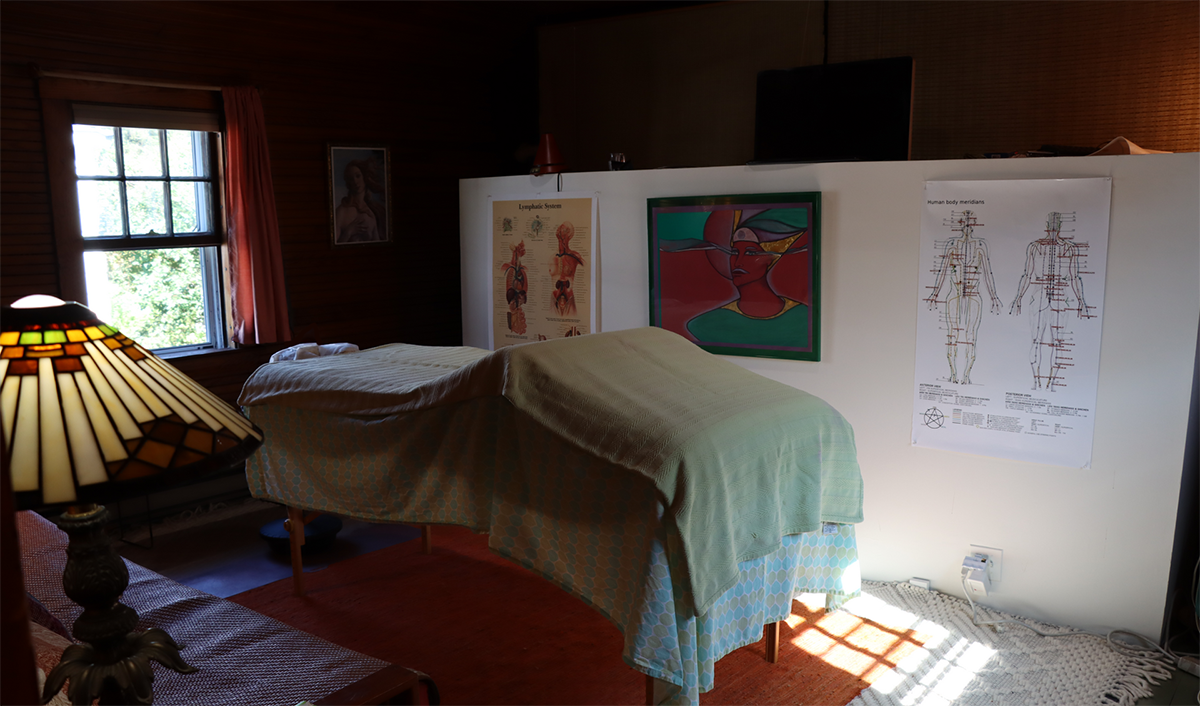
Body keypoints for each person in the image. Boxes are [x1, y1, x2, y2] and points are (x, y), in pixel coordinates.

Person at [671, 208, 811, 349]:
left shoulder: (802, 318)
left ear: (770, 259)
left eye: (750, 253)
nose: (738, 262)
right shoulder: (707, 324)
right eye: (734, 252)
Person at [1010, 211, 1091, 390]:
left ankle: (1051, 384)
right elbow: (1027, 274)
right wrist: (1018, 298)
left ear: (1060, 225)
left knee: (1057, 342)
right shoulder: (1035, 246)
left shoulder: (1069, 248)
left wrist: (1081, 301)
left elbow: (1074, 277)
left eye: (1057, 223)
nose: (1053, 226)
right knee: (1036, 340)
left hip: (1060, 298)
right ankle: (1036, 382)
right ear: (1046, 225)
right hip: (1038, 296)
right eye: (1051, 223)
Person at [925, 210, 1002, 385]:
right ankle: (953, 374)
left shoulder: (981, 245)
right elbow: (943, 270)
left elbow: (988, 273)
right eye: (964, 221)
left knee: (971, 335)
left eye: (970, 221)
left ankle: (966, 375)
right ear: (961, 224)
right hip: (954, 294)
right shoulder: (952, 244)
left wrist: (994, 297)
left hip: (974, 295)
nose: (967, 225)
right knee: (952, 334)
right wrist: (935, 293)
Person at [335, 159, 387, 243]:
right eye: (351, 179)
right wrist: (348, 232)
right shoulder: (341, 211)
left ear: (364, 177)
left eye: (358, 176)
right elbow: (333, 245)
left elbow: (377, 244)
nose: (355, 181)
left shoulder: (371, 212)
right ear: (348, 183)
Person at [549, 221, 584, 316]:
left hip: (569, 299)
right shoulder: (552, 257)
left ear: (570, 236)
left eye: (565, 233)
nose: (562, 236)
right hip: (554, 299)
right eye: (560, 232)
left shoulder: (575, 256)